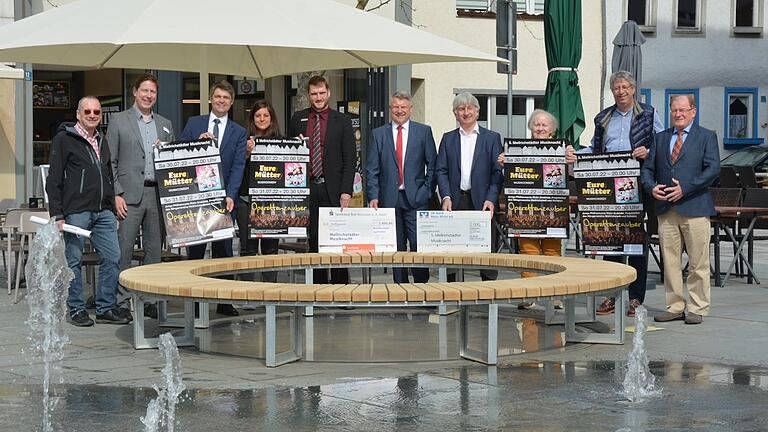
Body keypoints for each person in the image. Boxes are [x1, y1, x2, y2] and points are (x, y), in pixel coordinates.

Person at [566, 70, 663, 317]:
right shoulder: (603, 117)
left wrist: (648, 152)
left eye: (624, 87)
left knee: (636, 241)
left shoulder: (649, 113)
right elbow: (595, 148)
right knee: (610, 239)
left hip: (638, 184)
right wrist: (577, 154)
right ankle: (611, 294)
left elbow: (661, 144)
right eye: (616, 88)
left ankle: (635, 298)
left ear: (633, 89)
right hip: (608, 185)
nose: (620, 92)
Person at [47, 96, 131, 327]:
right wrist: (58, 214)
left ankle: (105, 307)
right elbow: (53, 179)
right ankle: (76, 309)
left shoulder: (102, 140)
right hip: (76, 210)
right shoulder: (64, 139)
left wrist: (112, 205)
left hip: (103, 210)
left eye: (96, 112)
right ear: (78, 114)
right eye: (88, 112)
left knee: (113, 257)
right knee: (73, 260)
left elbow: (106, 175)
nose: (92, 115)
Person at [641, 94, 719, 325]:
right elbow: (647, 169)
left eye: (683, 110)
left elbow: (713, 169)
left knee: (698, 262)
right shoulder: (660, 137)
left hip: (695, 207)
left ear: (693, 111)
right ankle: (675, 306)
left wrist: (685, 188)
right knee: (670, 262)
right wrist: (651, 187)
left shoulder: (706, 136)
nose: (678, 114)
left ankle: (698, 308)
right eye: (675, 110)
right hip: (666, 209)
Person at [108, 74, 175, 319]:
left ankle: (150, 299)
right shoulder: (118, 120)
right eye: (144, 91)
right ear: (135, 92)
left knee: (153, 251)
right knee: (123, 249)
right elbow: (110, 162)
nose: (148, 96)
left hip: (156, 193)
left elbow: (173, 163)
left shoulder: (165, 124)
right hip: (128, 195)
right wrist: (116, 194)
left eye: (153, 92)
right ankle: (123, 299)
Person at [179, 80, 247, 316]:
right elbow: (180, 152)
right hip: (197, 197)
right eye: (217, 97)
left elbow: (239, 165)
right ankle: (196, 301)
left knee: (224, 251)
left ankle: (224, 301)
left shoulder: (239, 131)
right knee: (196, 252)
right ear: (210, 98)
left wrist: (231, 194)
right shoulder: (194, 123)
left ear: (232, 102)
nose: (221, 101)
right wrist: (197, 143)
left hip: (223, 199)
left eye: (226, 98)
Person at [287, 75, 356, 284]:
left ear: (329, 93)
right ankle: (317, 287)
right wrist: (294, 145)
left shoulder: (342, 120)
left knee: (336, 240)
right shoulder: (297, 118)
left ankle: (341, 288)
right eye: (314, 94)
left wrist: (346, 191)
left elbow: (350, 158)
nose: (318, 97)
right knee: (314, 240)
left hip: (333, 188)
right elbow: (289, 155)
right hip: (307, 188)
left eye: (321, 93)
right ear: (308, 95)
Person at [367, 90, 437, 283]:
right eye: (396, 107)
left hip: (416, 198)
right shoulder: (378, 134)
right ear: (390, 109)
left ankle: (422, 287)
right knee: (395, 247)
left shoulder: (424, 132)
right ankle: (400, 288)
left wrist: (427, 190)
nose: (399, 111)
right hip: (389, 198)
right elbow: (372, 169)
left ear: (411, 109)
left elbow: (433, 165)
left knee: (417, 245)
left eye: (403, 107)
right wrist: (373, 196)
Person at [498, 109, 564, 308]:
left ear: (552, 129)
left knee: (553, 252)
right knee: (528, 251)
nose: (541, 128)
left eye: (544, 125)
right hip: (525, 207)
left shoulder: (562, 148)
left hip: (553, 207)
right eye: (537, 125)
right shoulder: (519, 148)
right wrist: (504, 162)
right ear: (531, 128)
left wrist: (572, 159)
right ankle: (529, 294)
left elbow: (570, 173)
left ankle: (555, 295)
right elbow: (511, 174)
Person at [436, 92, 503, 281]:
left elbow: (497, 172)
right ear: (455, 114)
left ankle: (488, 295)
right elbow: (441, 171)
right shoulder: (448, 139)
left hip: (482, 202)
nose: (466, 112)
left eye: (469, 108)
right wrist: (446, 196)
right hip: (455, 201)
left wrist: (491, 199)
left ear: (477, 111)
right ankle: (452, 295)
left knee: (485, 254)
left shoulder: (492, 138)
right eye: (461, 109)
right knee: (454, 252)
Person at [237, 100, 281, 283]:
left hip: (272, 202)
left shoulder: (281, 141)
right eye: (258, 115)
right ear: (252, 118)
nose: (262, 119)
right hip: (246, 199)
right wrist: (246, 153)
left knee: (271, 248)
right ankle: (248, 292)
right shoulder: (242, 139)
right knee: (248, 248)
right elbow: (236, 168)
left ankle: (270, 290)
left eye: (265, 115)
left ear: (271, 119)